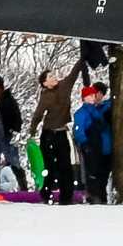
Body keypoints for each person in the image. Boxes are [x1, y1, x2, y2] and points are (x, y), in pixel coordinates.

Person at [28, 61, 83, 205]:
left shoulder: (64, 86)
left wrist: (82, 60)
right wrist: (31, 131)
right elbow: (38, 115)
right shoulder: (46, 96)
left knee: (66, 166)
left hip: (61, 132)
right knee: (50, 166)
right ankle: (47, 194)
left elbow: (73, 74)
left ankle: (66, 197)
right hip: (48, 134)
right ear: (45, 83)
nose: (54, 78)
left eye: (53, 75)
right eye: (50, 77)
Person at [72, 83, 112, 204]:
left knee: (101, 172)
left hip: (101, 146)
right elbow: (79, 129)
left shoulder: (98, 111)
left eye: (93, 95)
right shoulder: (82, 112)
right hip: (91, 145)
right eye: (89, 96)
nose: (92, 98)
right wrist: (84, 143)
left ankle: (100, 195)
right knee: (92, 172)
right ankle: (94, 195)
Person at [0, 75, 26, 191]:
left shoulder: (8, 100)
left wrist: (14, 130)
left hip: (7, 134)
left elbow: (17, 117)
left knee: (13, 160)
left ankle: (22, 185)